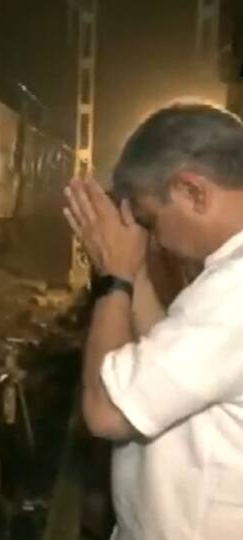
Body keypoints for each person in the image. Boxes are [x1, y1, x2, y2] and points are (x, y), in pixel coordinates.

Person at [63, 102, 243, 540]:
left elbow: (107, 411)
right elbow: (163, 354)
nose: (153, 236)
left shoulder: (234, 290)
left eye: (150, 218)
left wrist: (115, 280)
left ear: (193, 192)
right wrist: (136, 269)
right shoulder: (229, 277)